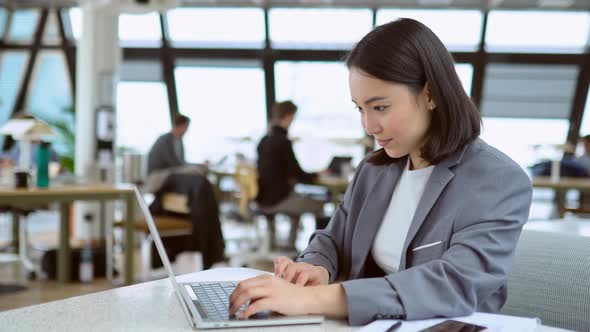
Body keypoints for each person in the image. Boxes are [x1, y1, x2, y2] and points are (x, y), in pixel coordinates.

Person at [229, 18, 533, 325]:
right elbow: (333, 239)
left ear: (431, 95)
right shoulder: (374, 169)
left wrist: (313, 299)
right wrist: (315, 267)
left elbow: (453, 284)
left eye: (380, 107)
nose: (369, 126)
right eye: (360, 108)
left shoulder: (498, 179)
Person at [256, 100, 326, 249]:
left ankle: (290, 246)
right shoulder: (283, 142)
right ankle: (322, 249)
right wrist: (317, 175)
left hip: (262, 198)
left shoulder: (263, 140)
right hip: (278, 199)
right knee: (319, 206)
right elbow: (297, 174)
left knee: (297, 203)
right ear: (289, 116)